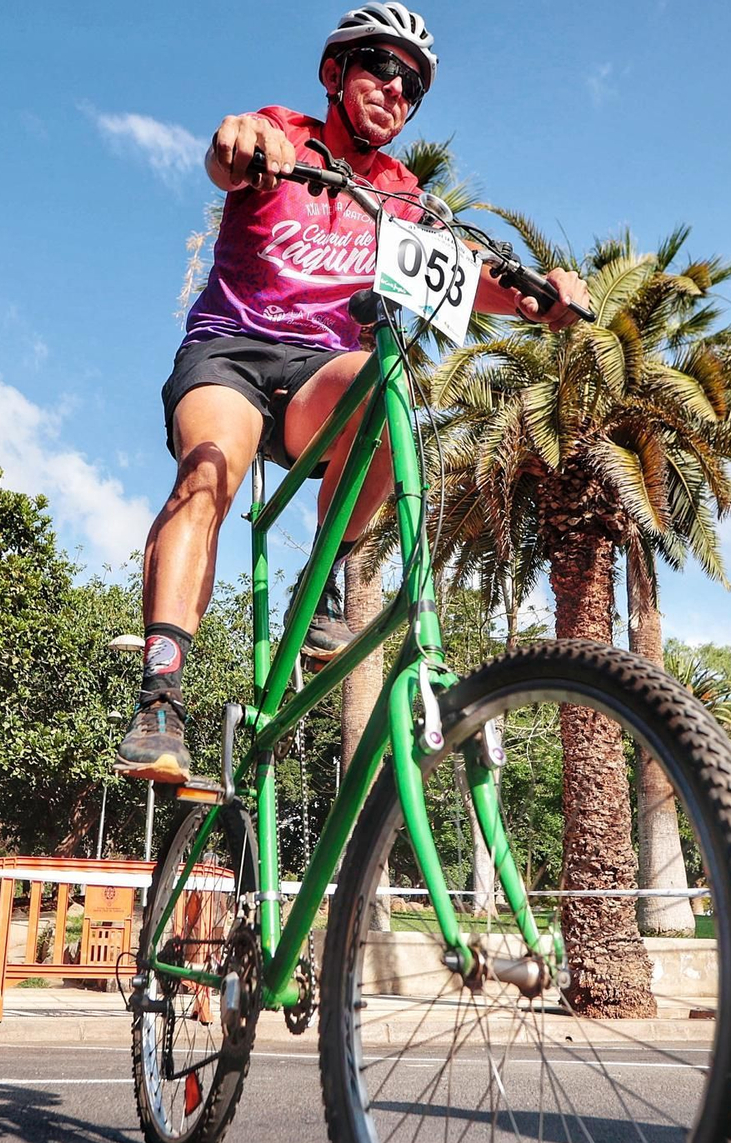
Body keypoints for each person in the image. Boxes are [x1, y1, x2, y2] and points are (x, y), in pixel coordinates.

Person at [116, 3, 588, 784]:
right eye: (381, 66)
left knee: (386, 378)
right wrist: (240, 144)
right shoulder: (283, 134)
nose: (396, 90)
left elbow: (468, 272)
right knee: (209, 470)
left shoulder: (402, 195)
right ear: (335, 72)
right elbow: (230, 153)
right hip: (229, 356)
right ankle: (161, 696)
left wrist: (541, 299)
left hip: (317, 377)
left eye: (414, 86)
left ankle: (323, 578)